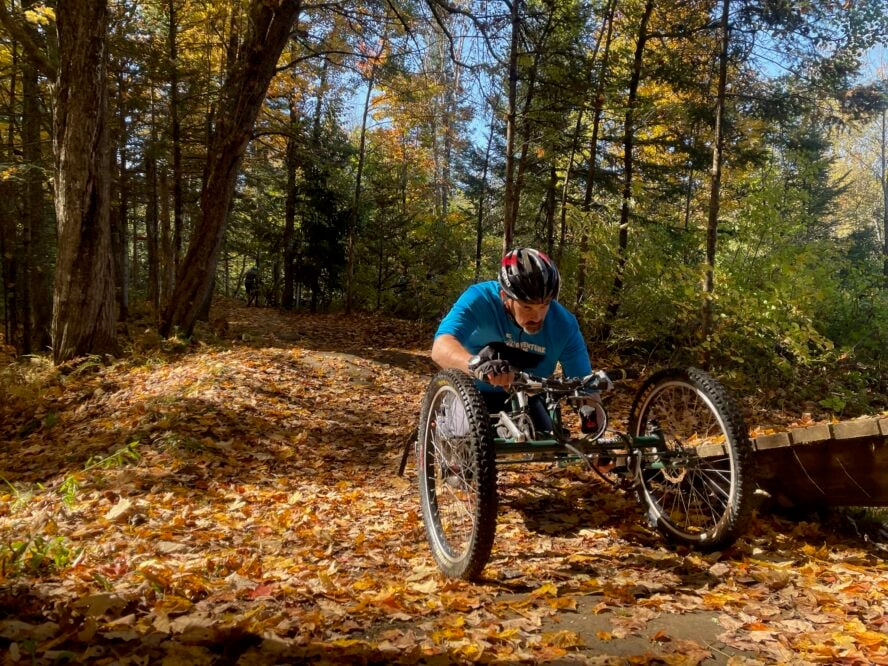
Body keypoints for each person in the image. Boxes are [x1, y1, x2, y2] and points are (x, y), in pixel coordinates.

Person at [432, 247, 600, 435]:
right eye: (527, 307)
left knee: (549, 440)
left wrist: (596, 440)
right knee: (462, 444)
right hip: (472, 392)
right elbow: (441, 346)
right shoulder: (479, 299)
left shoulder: (564, 324)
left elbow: (585, 387)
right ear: (505, 297)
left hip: (526, 398)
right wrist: (476, 364)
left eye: (545, 305)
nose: (537, 316)